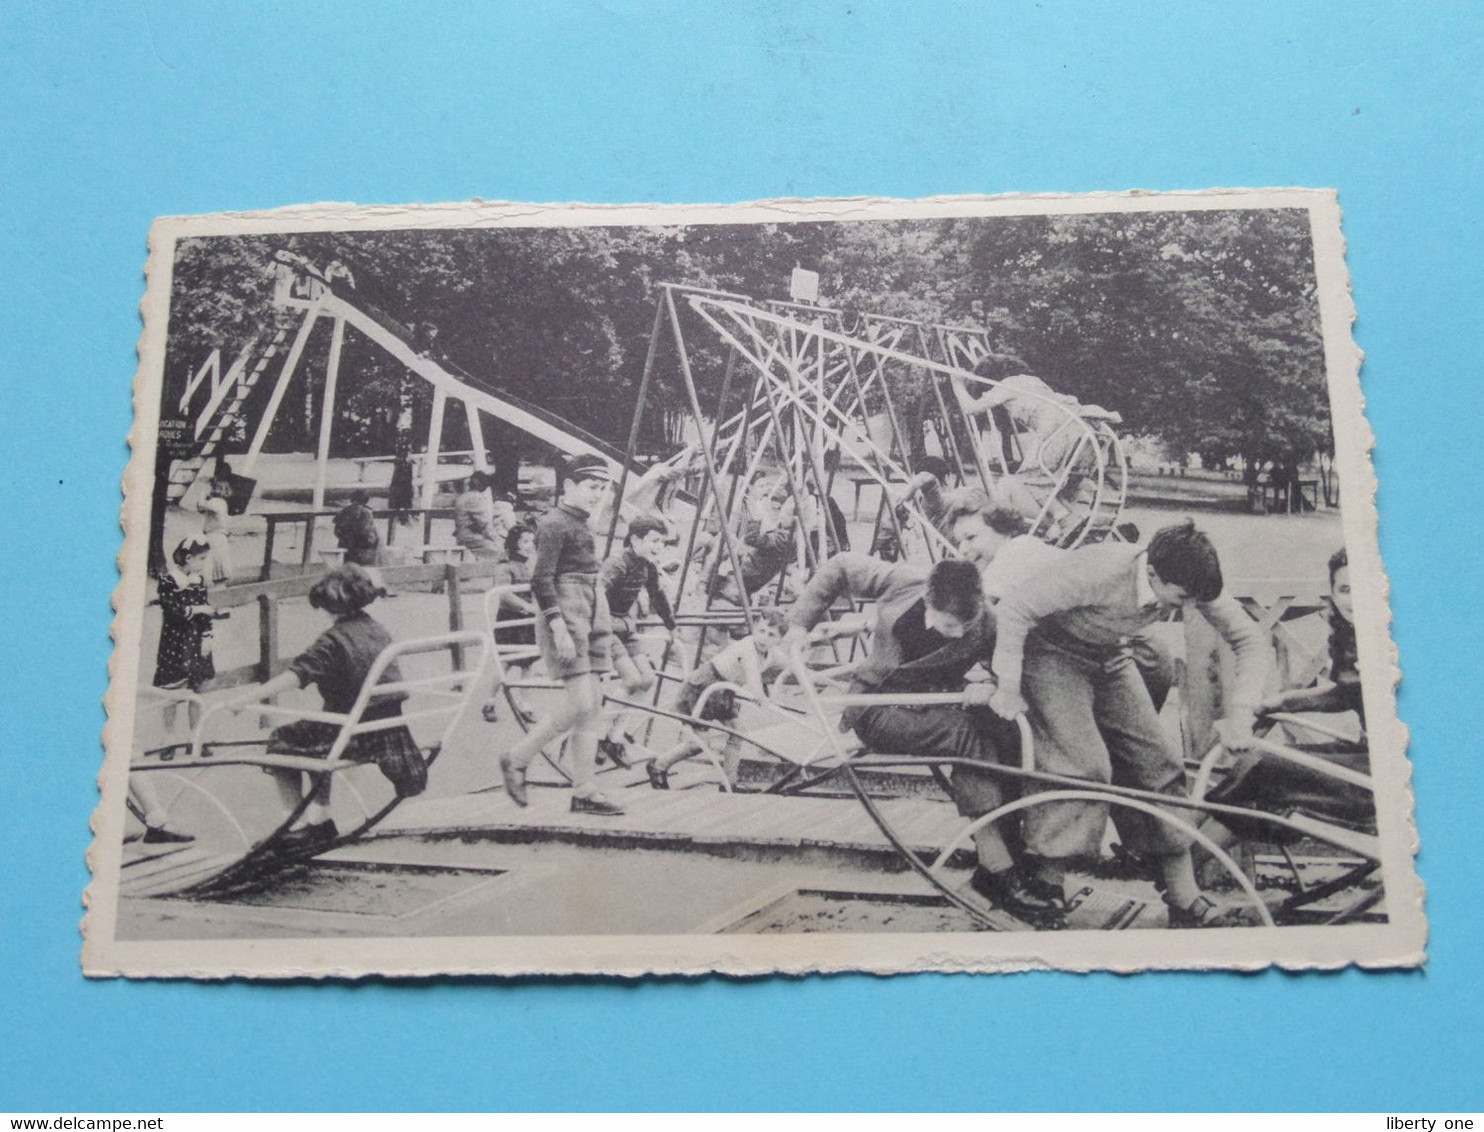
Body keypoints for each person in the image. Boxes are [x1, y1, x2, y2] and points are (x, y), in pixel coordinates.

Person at [987, 519, 1268, 927]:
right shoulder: (1098, 569)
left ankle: (1183, 896)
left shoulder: (1191, 578)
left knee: (1159, 762)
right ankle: (1044, 885)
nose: (1188, 609)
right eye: (1181, 598)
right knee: (1082, 765)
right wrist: (1008, 687)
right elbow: (1014, 609)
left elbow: (1251, 639)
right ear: (1151, 572)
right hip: (1051, 653)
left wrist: (1242, 711)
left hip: (1110, 655)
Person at [776, 552, 1062, 923]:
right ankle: (999, 870)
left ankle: (1004, 861)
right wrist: (800, 624)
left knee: (1002, 737)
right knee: (968, 738)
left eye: (966, 625)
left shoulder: (988, 620)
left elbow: (1007, 661)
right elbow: (841, 565)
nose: (959, 634)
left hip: (930, 706)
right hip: (877, 708)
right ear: (929, 602)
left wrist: (989, 682)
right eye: (948, 626)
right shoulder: (904, 583)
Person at [220, 565, 427, 853]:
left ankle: (294, 825)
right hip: (387, 731)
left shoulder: (334, 639)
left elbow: (298, 674)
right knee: (312, 735)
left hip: (353, 732)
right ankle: (321, 819)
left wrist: (246, 699)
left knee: (282, 740)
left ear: (331, 604)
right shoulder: (376, 630)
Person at [494, 455, 649, 816]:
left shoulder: (582, 523)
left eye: (601, 488)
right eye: (591, 487)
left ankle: (585, 790)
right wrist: (558, 628)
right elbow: (540, 579)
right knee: (580, 704)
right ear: (568, 487)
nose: (597, 494)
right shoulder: (553, 524)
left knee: (592, 708)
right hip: (566, 617)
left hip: (593, 614)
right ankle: (517, 758)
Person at [1201, 547, 1374, 847]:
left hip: (1385, 776)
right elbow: (1348, 694)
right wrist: (1283, 702)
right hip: (1363, 758)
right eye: (1345, 589)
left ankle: (1178, 864)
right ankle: (1176, 855)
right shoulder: (1351, 636)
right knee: (1260, 765)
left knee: (1264, 769)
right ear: (1332, 593)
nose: (1354, 599)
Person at [645, 607, 794, 790]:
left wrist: (807, 675)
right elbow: (754, 681)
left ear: (779, 640)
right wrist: (762, 699)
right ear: (755, 628)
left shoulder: (771, 653)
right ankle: (658, 765)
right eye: (761, 631)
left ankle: (729, 783)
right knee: (699, 743)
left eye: (771, 635)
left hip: (723, 691)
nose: (764, 638)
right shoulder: (747, 648)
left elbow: (791, 666)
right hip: (703, 687)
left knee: (738, 731)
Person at [599, 515, 678, 766]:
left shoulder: (647, 566)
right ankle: (599, 733)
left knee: (647, 679)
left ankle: (615, 734)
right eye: (654, 541)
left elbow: (657, 595)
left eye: (662, 543)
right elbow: (597, 592)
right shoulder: (617, 563)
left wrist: (671, 626)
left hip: (625, 626)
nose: (659, 547)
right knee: (631, 679)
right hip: (606, 626)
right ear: (635, 539)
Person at [153, 536, 220, 733]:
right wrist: (199, 610)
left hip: (197, 641)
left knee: (198, 691)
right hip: (175, 641)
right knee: (171, 693)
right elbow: (174, 612)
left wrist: (208, 635)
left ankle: (196, 737)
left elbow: (205, 611)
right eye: (202, 559)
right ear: (189, 558)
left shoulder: (198, 581)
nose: (204, 564)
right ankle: (168, 739)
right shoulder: (169, 581)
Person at [453, 470, 508, 560]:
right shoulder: (476, 498)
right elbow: (484, 524)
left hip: (463, 536)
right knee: (502, 552)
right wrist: (498, 540)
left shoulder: (463, 496)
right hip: (473, 538)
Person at [333, 490, 381, 567]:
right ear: (366, 500)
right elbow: (367, 532)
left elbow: (337, 530)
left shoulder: (345, 510)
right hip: (362, 549)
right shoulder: (366, 512)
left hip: (345, 545)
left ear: (352, 499)